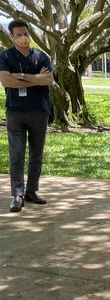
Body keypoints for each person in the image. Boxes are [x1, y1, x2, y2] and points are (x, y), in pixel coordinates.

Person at [0, 19, 54, 212]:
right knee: (16, 154)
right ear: (12, 37)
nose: (23, 38)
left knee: (36, 155)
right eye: (18, 35)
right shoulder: (5, 56)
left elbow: (48, 79)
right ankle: (17, 194)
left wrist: (21, 76)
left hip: (39, 111)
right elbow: (6, 81)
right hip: (15, 111)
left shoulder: (41, 56)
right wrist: (34, 80)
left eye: (25, 33)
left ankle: (31, 191)